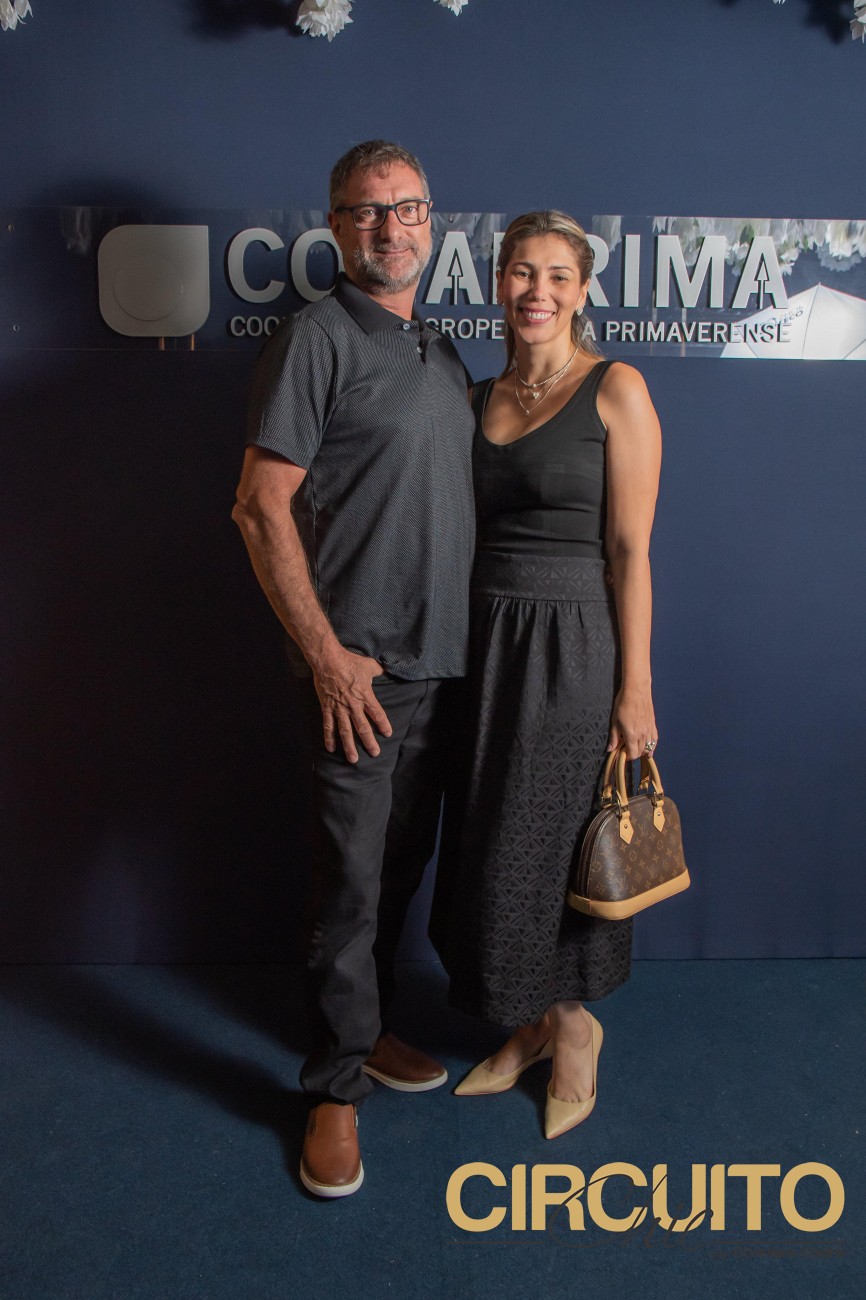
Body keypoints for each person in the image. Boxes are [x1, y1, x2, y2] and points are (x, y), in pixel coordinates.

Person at [232, 141, 475, 1197]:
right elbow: (258, 507)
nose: (390, 227)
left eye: (407, 208)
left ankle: (369, 1035)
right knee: (349, 888)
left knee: (398, 873)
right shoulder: (315, 338)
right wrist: (326, 659)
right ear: (336, 226)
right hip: (359, 680)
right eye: (368, 211)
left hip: (442, 667)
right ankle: (332, 1090)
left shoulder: (441, 348)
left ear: (431, 220)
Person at [431, 210, 662, 1139]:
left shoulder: (617, 388)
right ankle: (526, 1020)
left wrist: (635, 689)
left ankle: (574, 1028)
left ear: (582, 289)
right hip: (484, 641)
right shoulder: (475, 396)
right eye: (523, 272)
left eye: (558, 275)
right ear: (499, 283)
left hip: (573, 643)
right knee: (492, 836)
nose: (538, 291)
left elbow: (631, 552)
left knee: (556, 837)